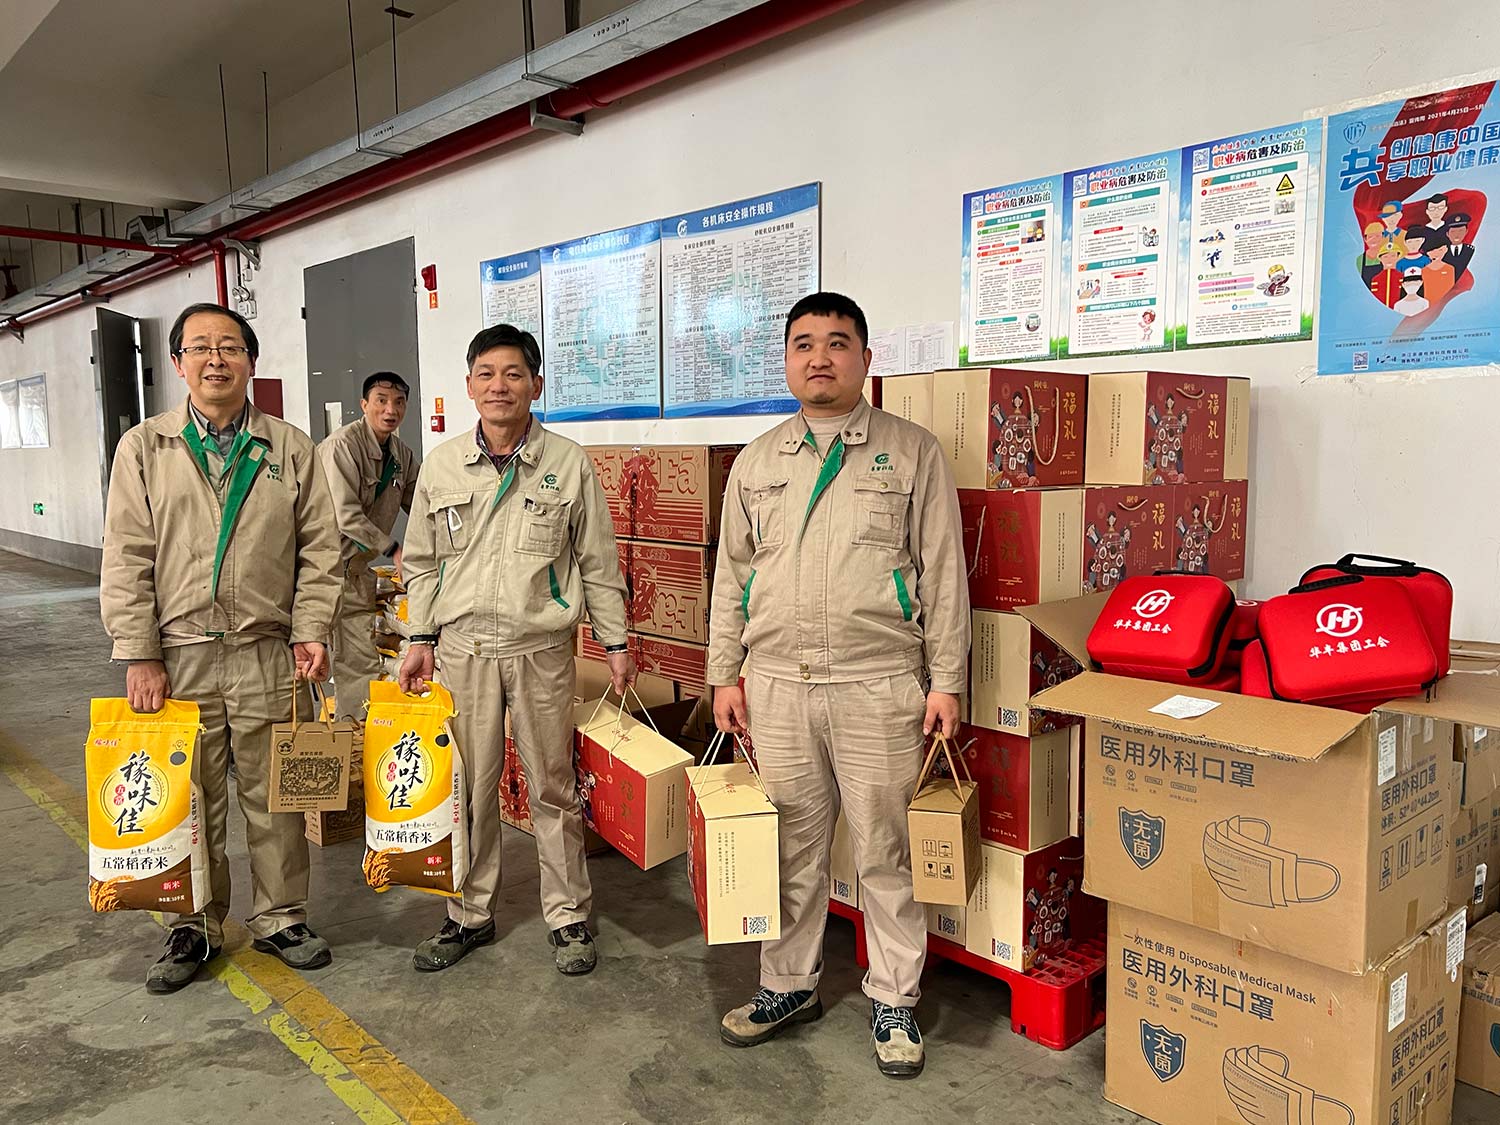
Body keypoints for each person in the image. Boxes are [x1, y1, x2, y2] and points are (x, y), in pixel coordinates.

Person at [707, 292, 970, 1079]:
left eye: (836, 342)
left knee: (885, 851)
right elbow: (732, 575)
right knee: (789, 845)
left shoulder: (911, 451)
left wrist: (947, 679)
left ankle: (894, 998)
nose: (819, 357)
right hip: (777, 683)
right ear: (787, 360)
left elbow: (943, 573)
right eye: (804, 344)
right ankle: (788, 984)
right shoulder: (757, 461)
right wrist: (723, 671)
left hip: (877, 682)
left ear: (865, 357)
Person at [100, 301, 342, 992]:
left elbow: (320, 549)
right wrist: (139, 651)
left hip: (268, 650)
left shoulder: (289, 447)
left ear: (250, 362)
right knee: (187, 797)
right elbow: (127, 554)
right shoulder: (145, 448)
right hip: (180, 656)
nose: (216, 359)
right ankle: (193, 923)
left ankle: (282, 916)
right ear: (178, 363)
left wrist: (311, 628)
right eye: (201, 347)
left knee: (279, 794)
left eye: (230, 347)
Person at [397, 324, 634, 976]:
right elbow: (421, 562)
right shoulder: (443, 465)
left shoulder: (568, 463)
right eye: (486, 374)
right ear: (469, 385)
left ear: (536, 384)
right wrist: (420, 637)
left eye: (513, 374)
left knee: (552, 785)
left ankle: (568, 915)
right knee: (469, 788)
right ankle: (468, 914)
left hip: (541, 648)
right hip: (464, 650)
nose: (499, 386)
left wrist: (615, 641)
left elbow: (598, 561)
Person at [317, 372, 418, 719]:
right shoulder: (342, 447)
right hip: (325, 570)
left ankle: (358, 734)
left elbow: (421, 504)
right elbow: (346, 515)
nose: (391, 410)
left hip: (358, 572)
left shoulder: (401, 455)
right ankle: (339, 737)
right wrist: (394, 549)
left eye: (399, 402)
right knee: (327, 660)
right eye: (381, 401)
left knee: (359, 660)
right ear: (364, 404)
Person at [1421, 239, 1456, 305]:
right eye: (1432, 251)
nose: (1436, 254)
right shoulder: (1423, 270)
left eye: (1440, 250)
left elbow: (1451, 287)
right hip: (1428, 303)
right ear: (1427, 253)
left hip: (1446, 303)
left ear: (1446, 250)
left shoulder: (1450, 269)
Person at [1446, 213, 1475, 281]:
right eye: (1453, 231)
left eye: (1461, 231)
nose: (1457, 235)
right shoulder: (1443, 250)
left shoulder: (1469, 249)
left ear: (1466, 231)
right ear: (1447, 234)